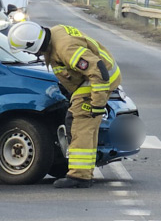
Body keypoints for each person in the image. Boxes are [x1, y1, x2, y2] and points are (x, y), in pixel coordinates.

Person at [8, 21, 121, 188]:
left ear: (33, 45)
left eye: (26, 50)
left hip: (98, 81)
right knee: (84, 123)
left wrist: (97, 104)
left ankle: (80, 176)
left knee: (80, 123)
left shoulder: (64, 48)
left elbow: (97, 70)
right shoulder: (55, 35)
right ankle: (85, 171)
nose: (28, 53)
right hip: (91, 81)